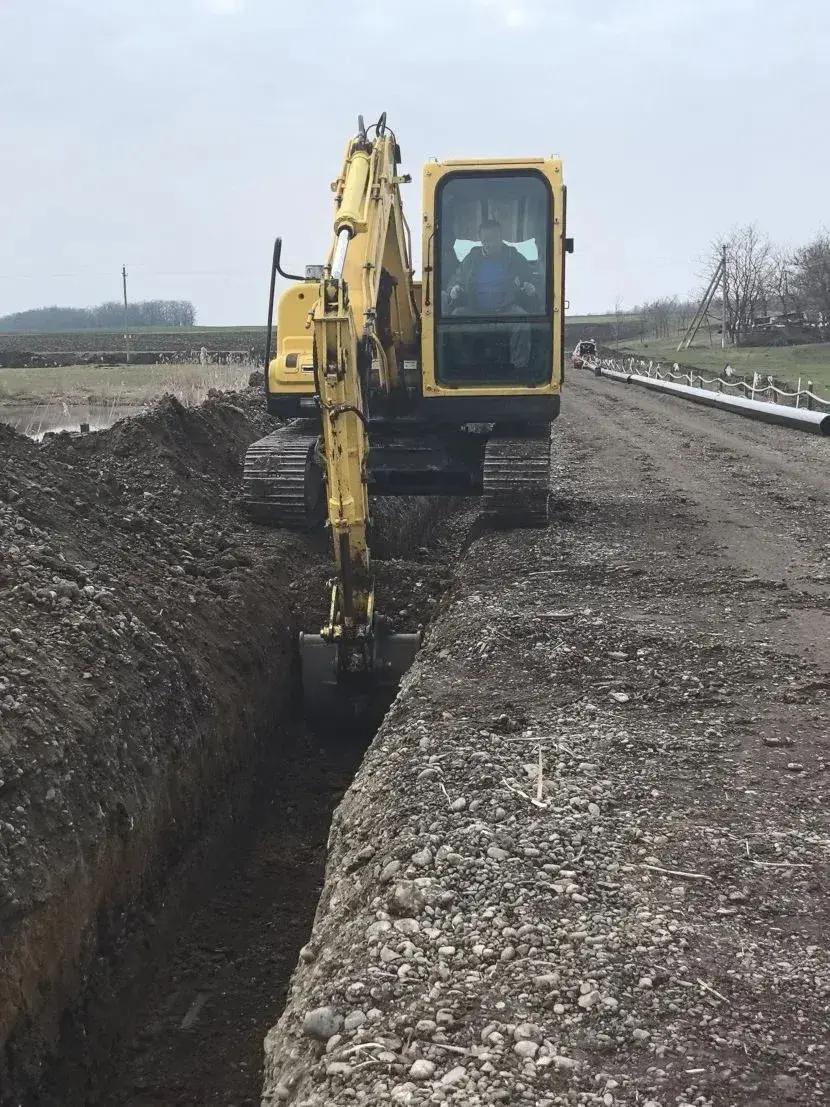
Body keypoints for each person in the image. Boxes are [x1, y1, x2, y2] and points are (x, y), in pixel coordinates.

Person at [447, 218, 537, 370]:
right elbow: (456, 279)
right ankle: (463, 367)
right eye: (485, 240)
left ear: (500, 237)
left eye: (493, 239)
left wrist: (531, 287)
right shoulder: (471, 259)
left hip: (506, 310)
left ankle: (519, 370)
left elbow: (531, 278)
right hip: (476, 311)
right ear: (481, 240)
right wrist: (454, 289)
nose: (489, 244)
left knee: (522, 322)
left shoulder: (514, 257)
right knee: (455, 319)